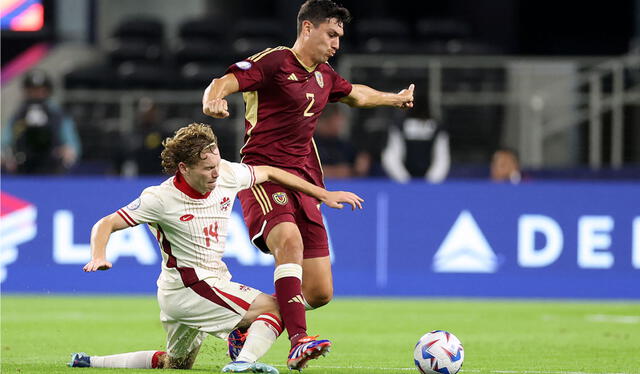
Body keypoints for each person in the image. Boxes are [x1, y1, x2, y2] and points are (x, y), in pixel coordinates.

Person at [201, 0, 414, 369]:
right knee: (290, 241)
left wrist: (394, 99)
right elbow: (223, 81)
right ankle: (299, 340)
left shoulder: (325, 75)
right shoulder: (274, 62)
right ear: (307, 29)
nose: (336, 44)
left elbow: (357, 95)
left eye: (340, 37)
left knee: (318, 292)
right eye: (331, 34)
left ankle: (247, 321)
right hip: (264, 176)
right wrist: (213, 101)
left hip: (306, 182)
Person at [67, 123, 363, 373]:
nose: (216, 173)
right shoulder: (158, 198)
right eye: (208, 168)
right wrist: (98, 255)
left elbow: (271, 173)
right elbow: (105, 224)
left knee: (176, 363)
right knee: (278, 307)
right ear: (184, 168)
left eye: (217, 164)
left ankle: (88, 362)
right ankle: (244, 362)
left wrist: (323, 193)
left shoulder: (226, 173)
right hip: (191, 286)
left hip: (191, 288)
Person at [1, 69, 81, 174]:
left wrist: (69, 152)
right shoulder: (19, 115)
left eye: (40, 91)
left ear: (47, 91)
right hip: (23, 168)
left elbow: (72, 144)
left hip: (52, 167)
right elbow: (4, 140)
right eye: (32, 91)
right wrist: (5, 157)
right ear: (26, 91)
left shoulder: (57, 114)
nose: (36, 94)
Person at [381, 101, 450, 183]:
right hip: (404, 179)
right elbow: (391, 157)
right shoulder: (399, 127)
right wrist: (404, 180)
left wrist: (431, 182)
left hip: (428, 180)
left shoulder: (437, 129)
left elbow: (442, 159)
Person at [313, 104, 356, 178]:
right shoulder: (310, 145)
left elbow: (357, 170)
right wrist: (334, 171)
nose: (341, 124)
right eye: (337, 120)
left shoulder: (345, 146)